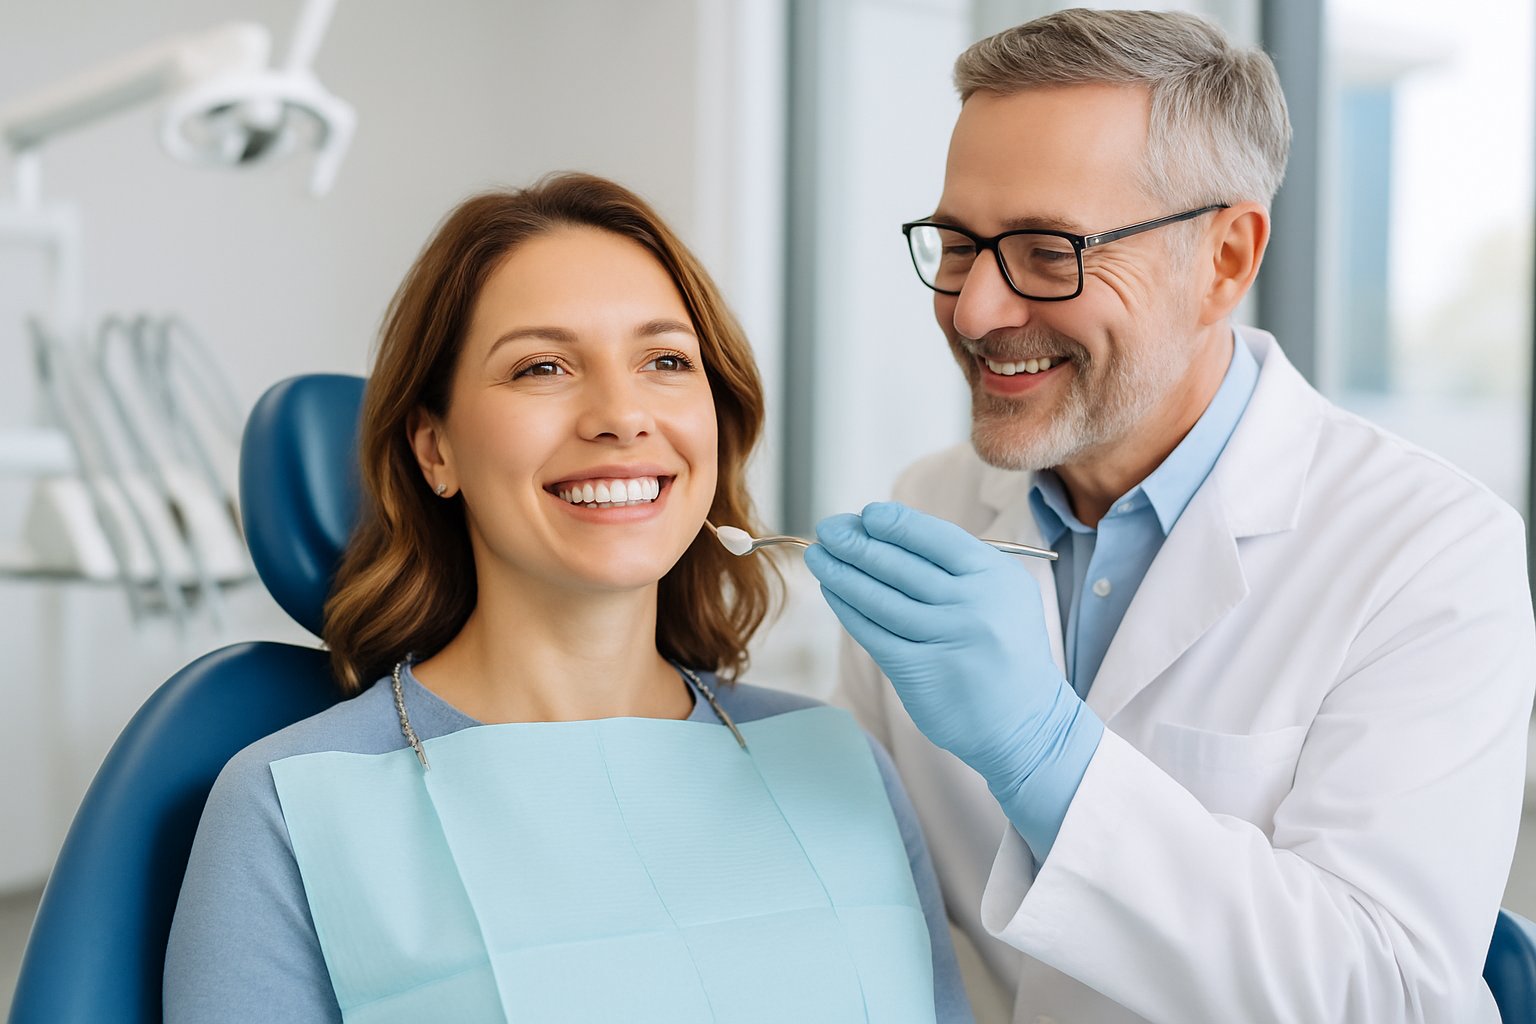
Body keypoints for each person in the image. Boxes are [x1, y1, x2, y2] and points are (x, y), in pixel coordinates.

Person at [803, 9, 1536, 1023]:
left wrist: (1049, 755)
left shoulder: (1431, 554)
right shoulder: (929, 511)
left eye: (1048, 251)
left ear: (1227, 259)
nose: (974, 310)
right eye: (961, 245)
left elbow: (1388, 990)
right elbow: (877, 915)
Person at [165, 173, 972, 1023]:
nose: (620, 416)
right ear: (434, 447)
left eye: (665, 360)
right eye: (541, 366)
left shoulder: (839, 764)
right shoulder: (287, 808)